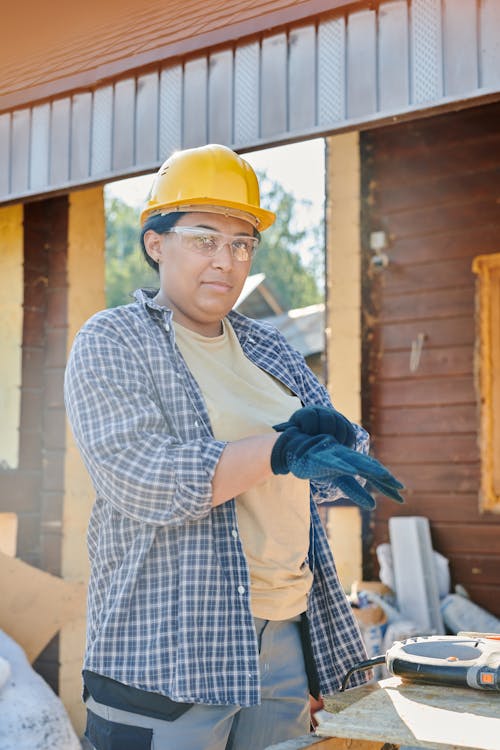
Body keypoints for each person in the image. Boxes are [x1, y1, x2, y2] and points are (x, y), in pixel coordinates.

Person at [64, 144, 403, 750]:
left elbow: (319, 470)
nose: (225, 260)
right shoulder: (113, 340)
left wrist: (338, 443)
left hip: (283, 636)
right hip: (168, 646)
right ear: (155, 243)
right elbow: (140, 477)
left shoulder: (271, 350)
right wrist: (277, 448)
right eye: (204, 238)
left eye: (241, 243)